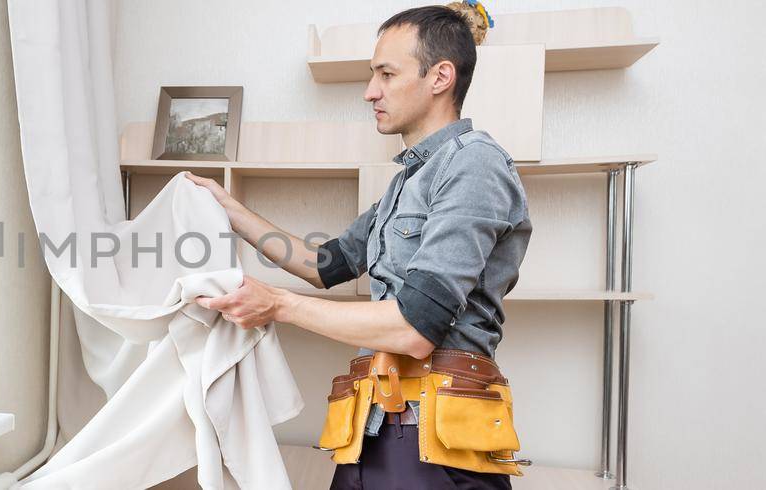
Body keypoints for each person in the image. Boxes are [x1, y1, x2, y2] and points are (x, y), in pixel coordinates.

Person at [187, 4, 531, 489]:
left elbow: (417, 327)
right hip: (373, 423)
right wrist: (228, 208)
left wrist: (276, 304)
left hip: (435, 435)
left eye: (386, 74)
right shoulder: (403, 185)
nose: (371, 91)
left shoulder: (475, 166)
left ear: (441, 77)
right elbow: (324, 263)